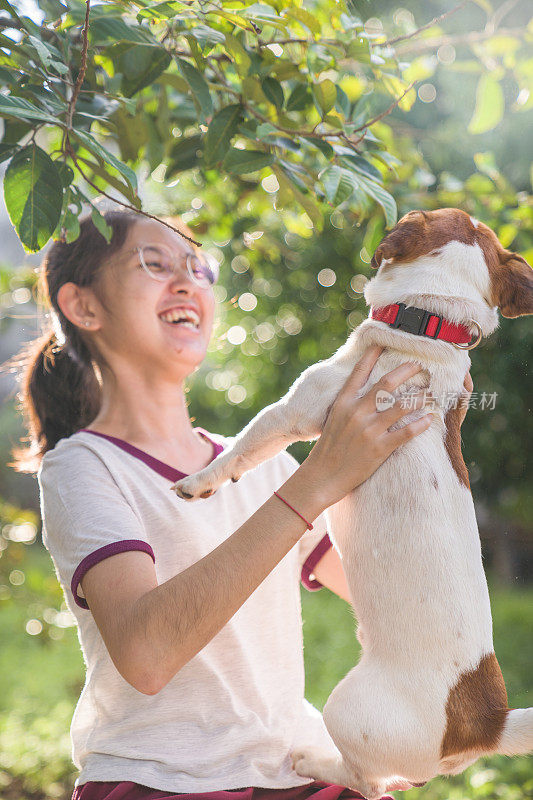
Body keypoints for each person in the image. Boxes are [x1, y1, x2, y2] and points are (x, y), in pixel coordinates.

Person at [9, 209, 472, 800]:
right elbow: (146, 656)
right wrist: (318, 479)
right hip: (161, 783)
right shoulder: (84, 467)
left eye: (197, 268)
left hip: (294, 772)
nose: (185, 282)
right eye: (153, 263)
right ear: (83, 307)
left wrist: (430, 452)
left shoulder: (264, 466)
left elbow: (402, 605)